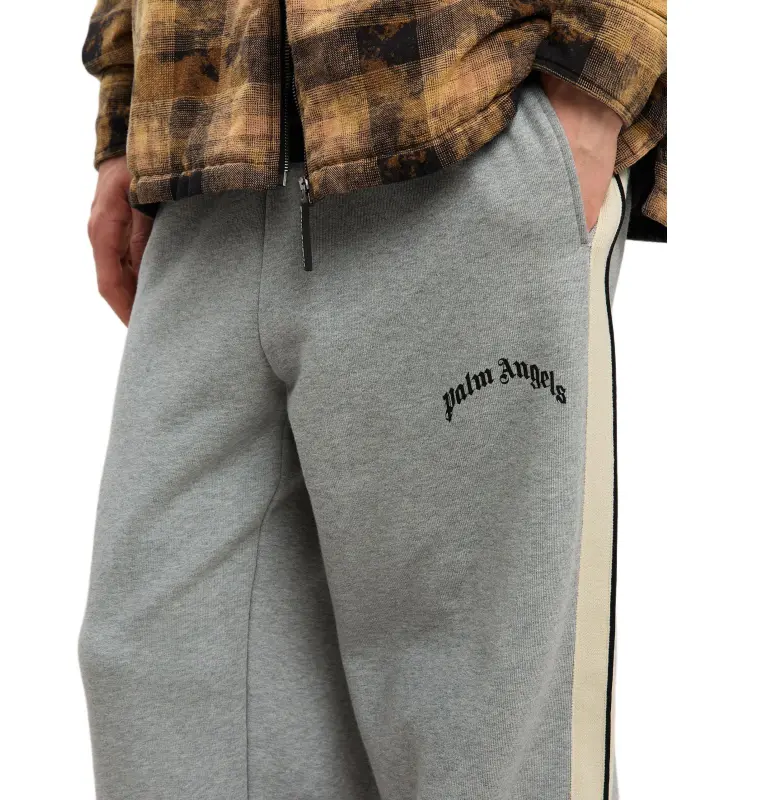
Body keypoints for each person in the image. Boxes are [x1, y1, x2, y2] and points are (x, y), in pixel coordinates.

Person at [78, 1, 666, 798]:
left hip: (463, 128)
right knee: (156, 677)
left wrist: (598, 84)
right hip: (202, 159)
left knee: (476, 740)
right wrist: (124, 113)